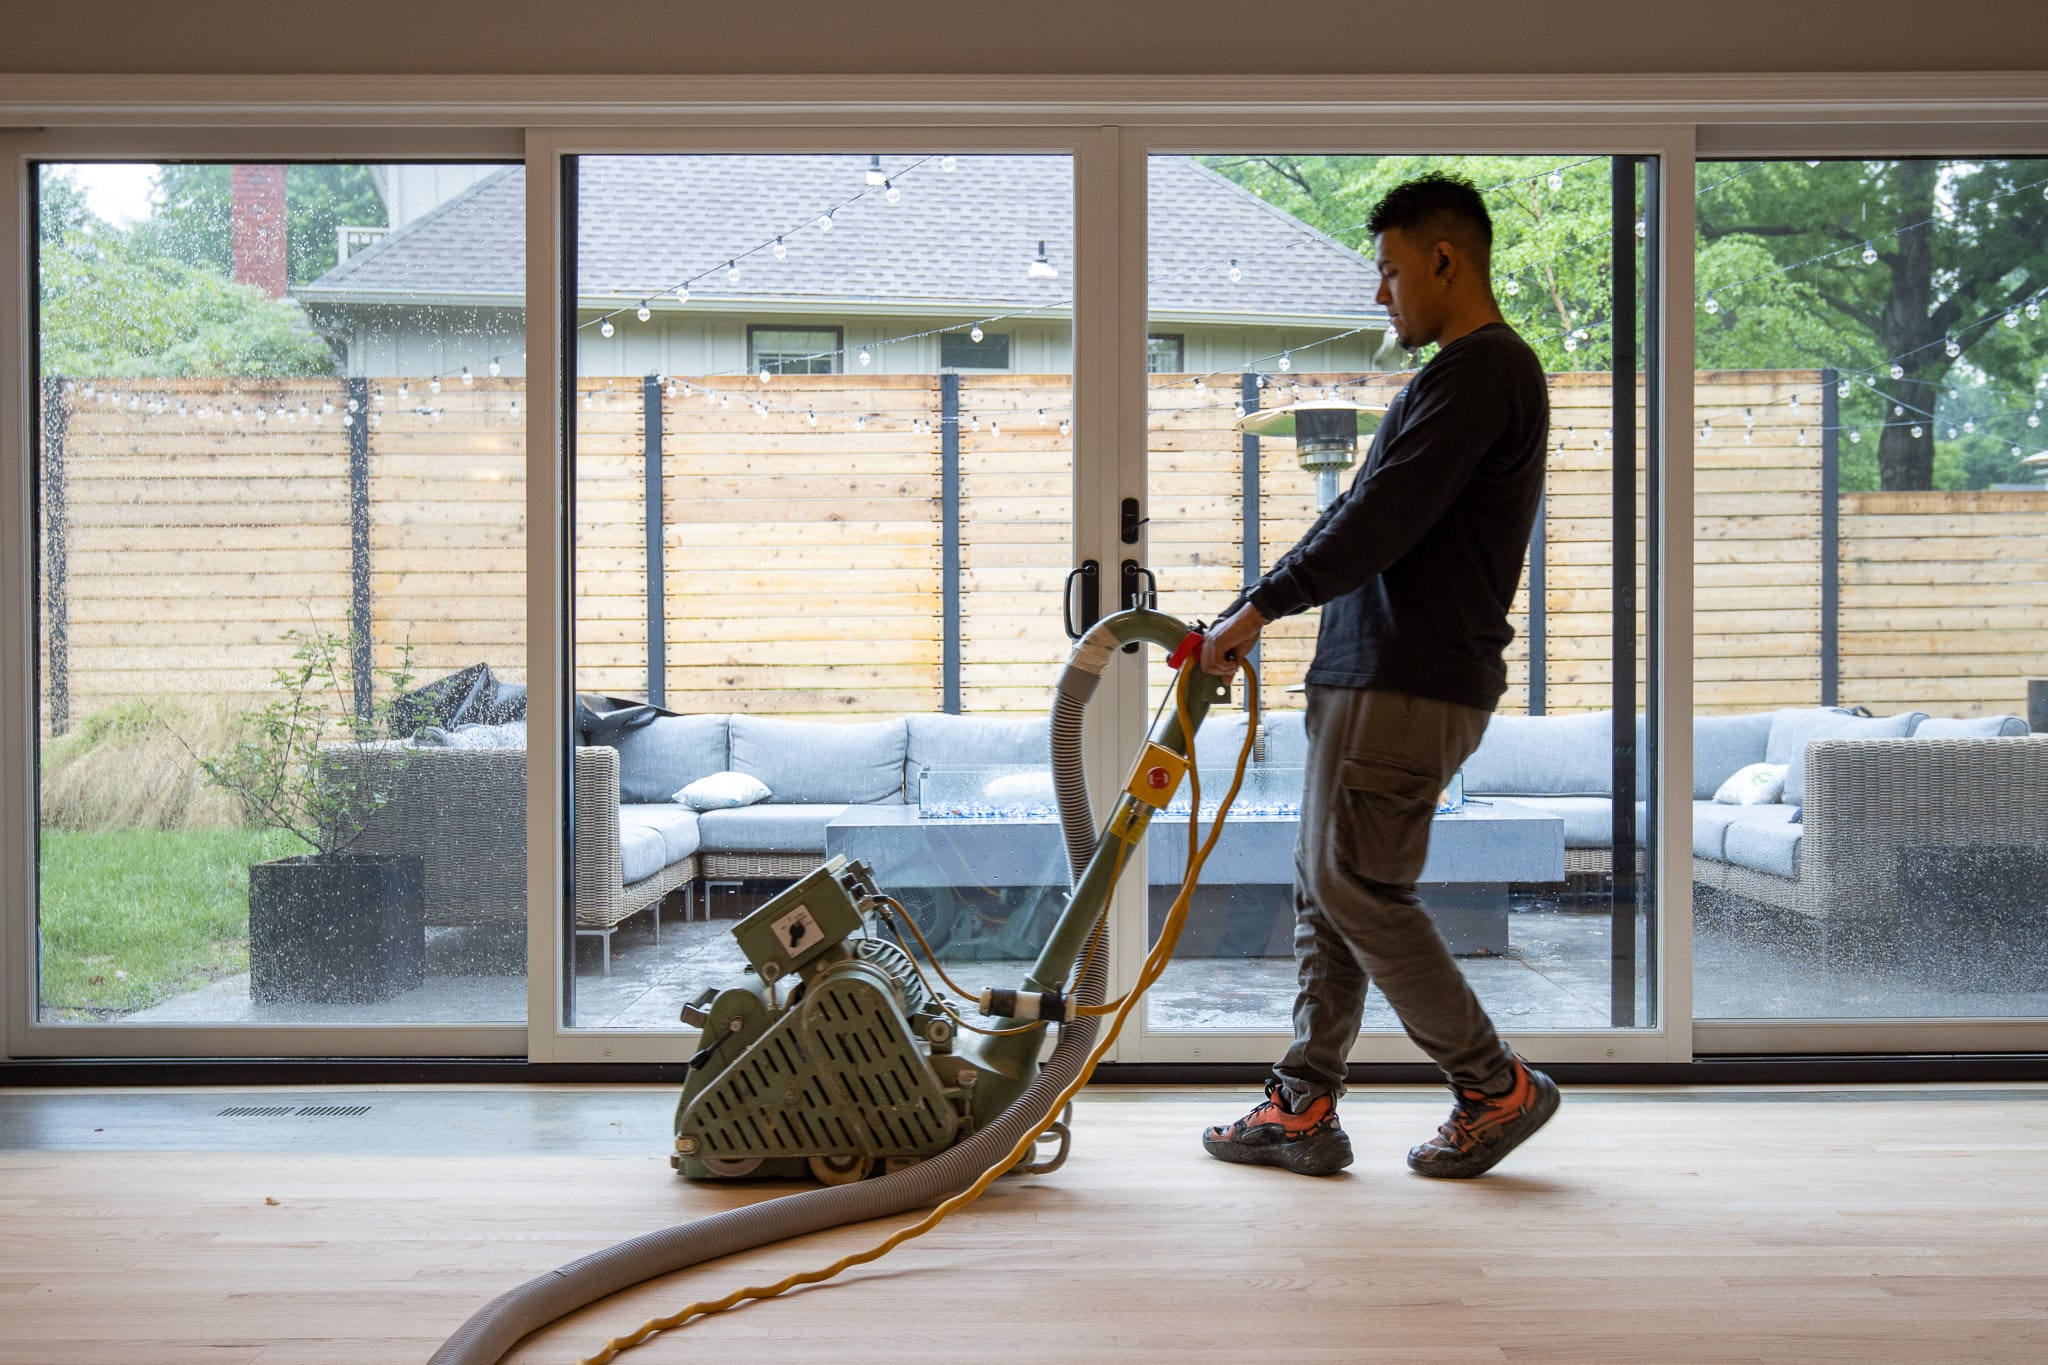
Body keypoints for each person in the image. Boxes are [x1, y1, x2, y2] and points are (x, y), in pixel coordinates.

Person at [1199, 173, 1559, 1179]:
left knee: (1356, 889)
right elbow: (1353, 518)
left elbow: (1378, 519)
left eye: (1389, 271)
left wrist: (1260, 606)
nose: (1378, 295)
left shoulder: (1481, 373)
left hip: (1407, 678)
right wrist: (1255, 606)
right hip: (1375, 673)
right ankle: (1302, 1106)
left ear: (1444, 260)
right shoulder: (1450, 378)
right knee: (1331, 893)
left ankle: (1493, 1084)